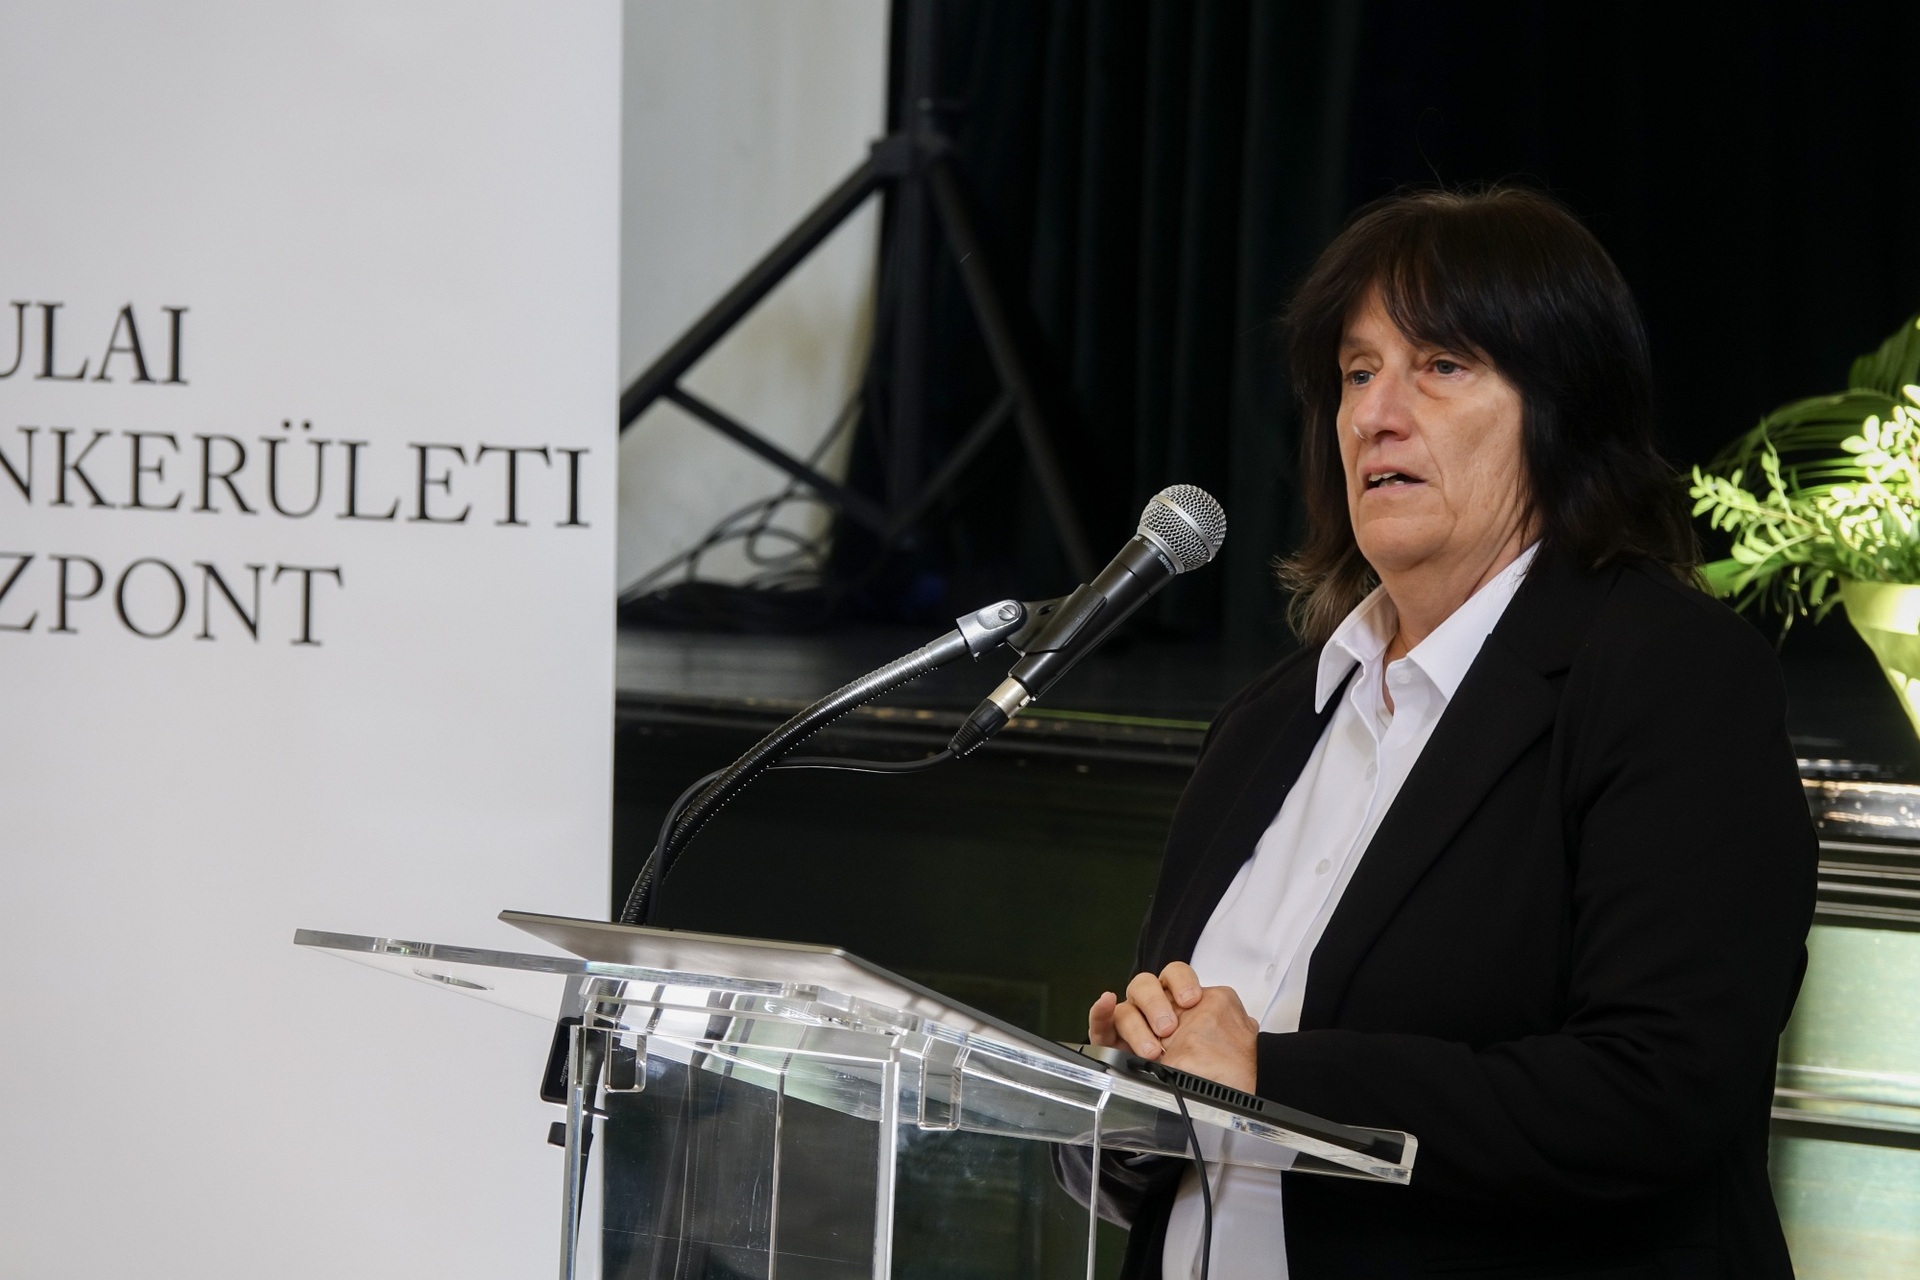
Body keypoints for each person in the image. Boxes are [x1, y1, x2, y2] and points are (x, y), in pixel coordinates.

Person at [1084, 187, 1817, 1279]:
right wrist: (1135, 1090)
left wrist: (1267, 1075)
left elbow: (1659, 1087)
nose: (1375, 415)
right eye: (1357, 372)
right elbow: (1193, 1105)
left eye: (1440, 365)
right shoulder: (1270, 721)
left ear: (1561, 409)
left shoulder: (1669, 676)